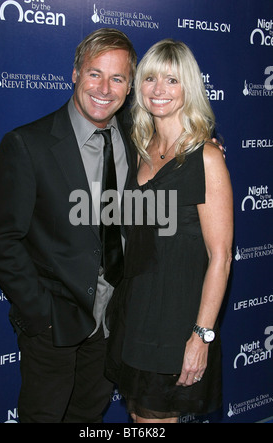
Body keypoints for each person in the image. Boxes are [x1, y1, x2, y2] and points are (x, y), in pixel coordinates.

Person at [0, 28, 137, 423]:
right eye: (94, 74)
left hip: (112, 319)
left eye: (117, 78)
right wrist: (41, 310)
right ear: (74, 74)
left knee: (87, 417)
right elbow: (2, 239)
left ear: (130, 85)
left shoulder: (137, 142)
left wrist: (208, 145)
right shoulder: (27, 144)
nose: (104, 88)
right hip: (53, 322)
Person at [105, 39, 233, 423]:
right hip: (135, 310)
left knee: (154, 420)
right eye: (150, 79)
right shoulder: (136, 147)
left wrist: (201, 336)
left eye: (172, 80)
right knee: (139, 417)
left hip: (176, 321)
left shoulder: (206, 158)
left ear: (188, 88)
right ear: (137, 87)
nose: (159, 90)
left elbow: (221, 257)